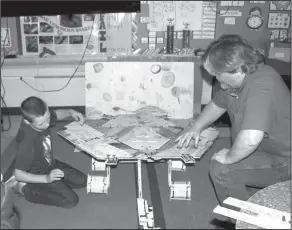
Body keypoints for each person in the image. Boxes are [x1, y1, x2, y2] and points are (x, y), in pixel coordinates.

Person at [176, 35, 291, 210]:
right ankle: (257, 198)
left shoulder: (261, 85)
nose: (218, 82)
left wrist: (229, 158)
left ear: (236, 70)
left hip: (285, 161)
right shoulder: (237, 80)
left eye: (216, 75)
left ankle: (242, 222)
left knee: (222, 169)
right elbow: (217, 104)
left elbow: (251, 139)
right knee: (239, 168)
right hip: (264, 151)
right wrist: (196, 127)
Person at [11, 96, 87, 209]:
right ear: (27, 122)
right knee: (71, 201)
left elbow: (55, 114)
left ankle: (55, 182)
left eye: (48, 118)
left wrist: (70, 112)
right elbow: (18, 174)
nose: (47, 124)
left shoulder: (42, 118)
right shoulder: (26, 143)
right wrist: (47, 179)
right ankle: (23, 190)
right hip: (37, 174)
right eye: (41, 124)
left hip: (49, 164)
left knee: (83, 181)